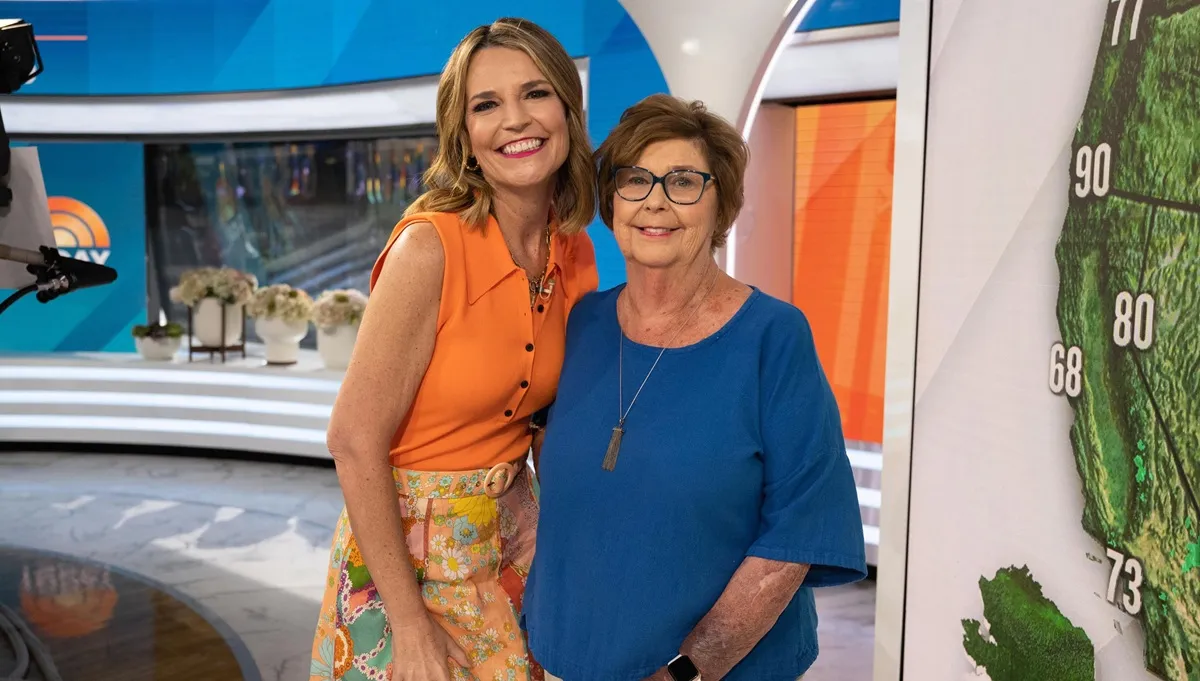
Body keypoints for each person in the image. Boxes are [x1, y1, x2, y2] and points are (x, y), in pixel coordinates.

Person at [522, 94, 868, 681]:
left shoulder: (773, 338)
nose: (655, 201)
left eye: (683, 181)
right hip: (564, 660)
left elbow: (795, 535)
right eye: (635, 180)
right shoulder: (581, 323)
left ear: (721, 206)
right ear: (611, 201)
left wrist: (686, 671)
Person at [309, 17, 598, 681]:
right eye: (486, 104)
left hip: (507, 538)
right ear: (464, 134)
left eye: (535, 93)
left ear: (567, 107)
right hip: (404, 554)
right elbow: (353, 438)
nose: (515, 120)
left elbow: (547, 420)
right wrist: (407, 623)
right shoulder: (429, 247)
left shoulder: (573, 250)